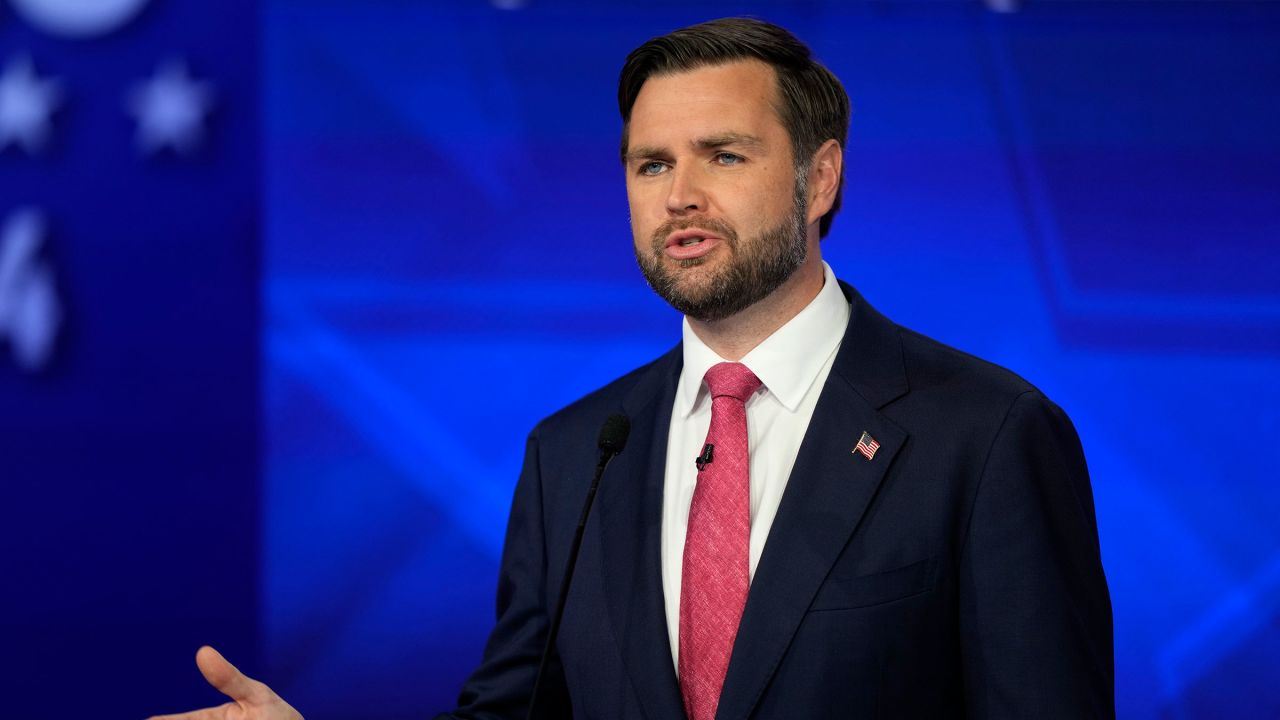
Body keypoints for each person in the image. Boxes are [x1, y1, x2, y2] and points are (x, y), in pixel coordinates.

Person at [152, 17, 1113, 720]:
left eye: (723, 156)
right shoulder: (574, 454)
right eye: (650, 165)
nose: (681, 196)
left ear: (819, 181)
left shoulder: (985, 434)